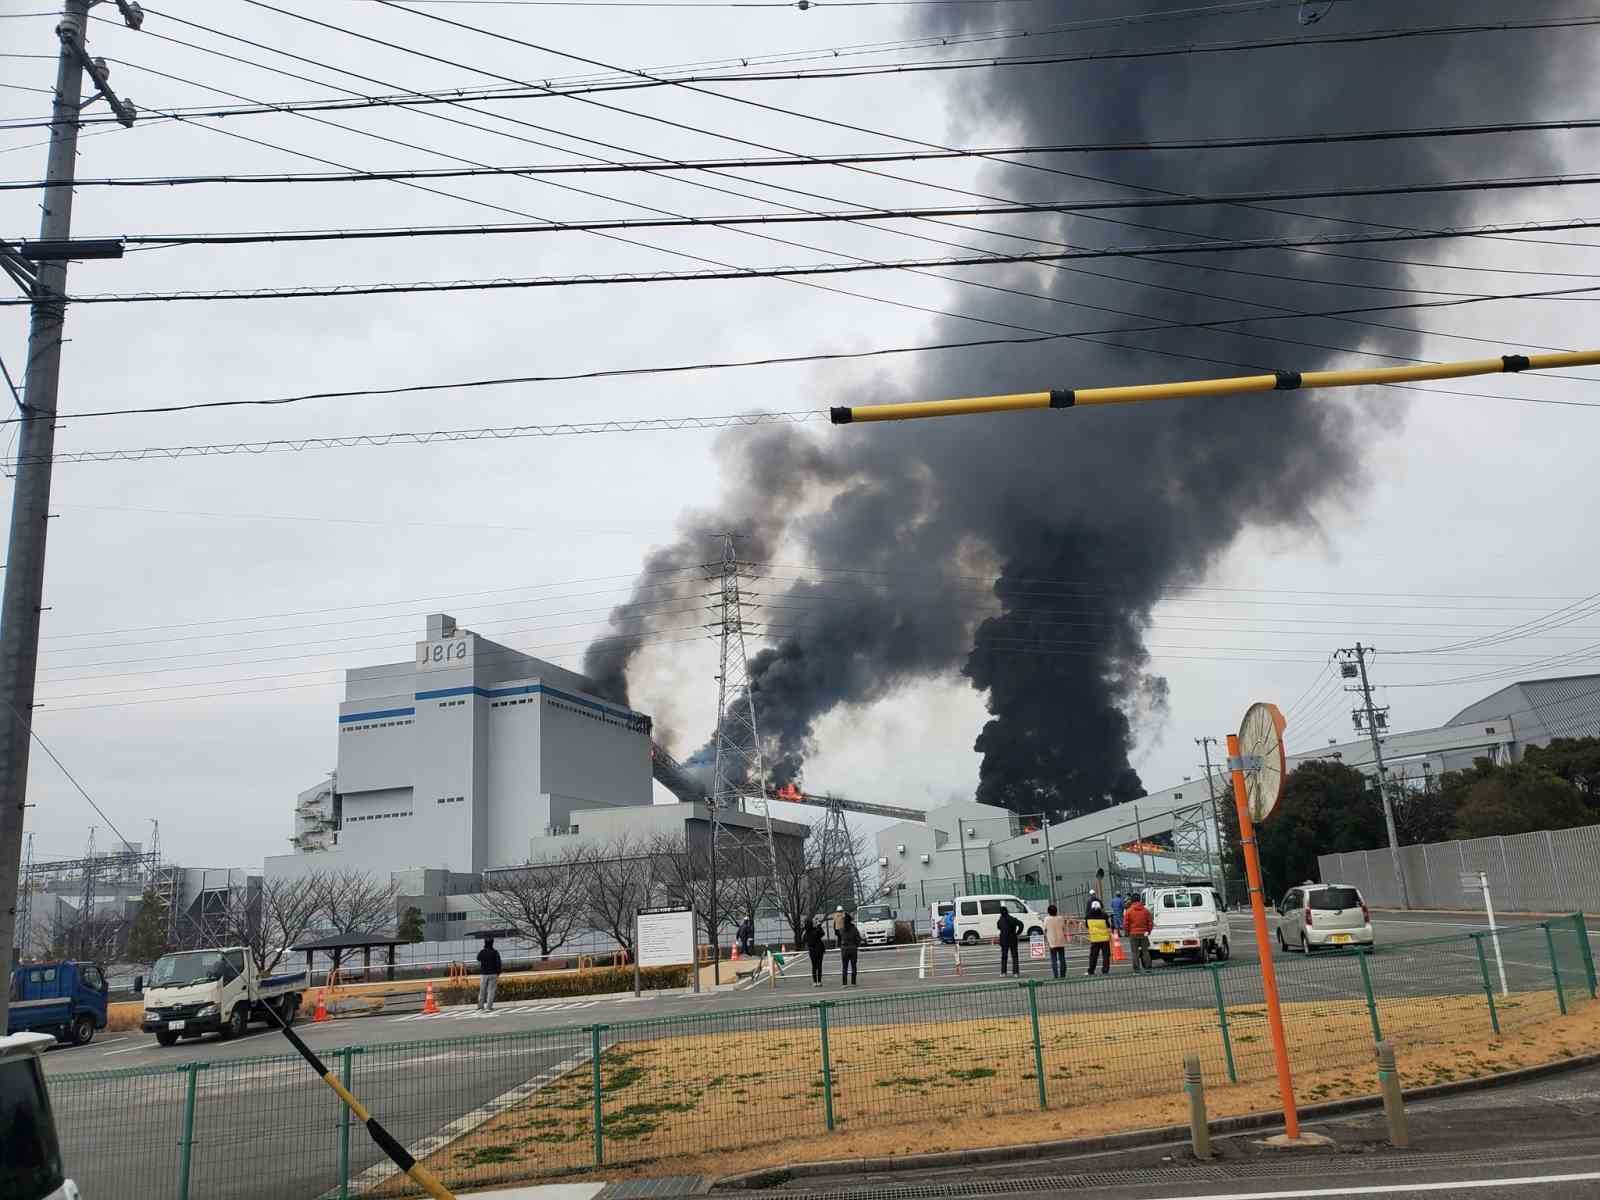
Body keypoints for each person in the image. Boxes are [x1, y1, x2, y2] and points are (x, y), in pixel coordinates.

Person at [1124, 892, 1153, 973]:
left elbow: (1126, 923)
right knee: (1145, 951)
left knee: (1135, 952)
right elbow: (1150, 922)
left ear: (1132, 900)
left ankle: (1136, 969)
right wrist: (1148, 931)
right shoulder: (1146, 910)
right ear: (1140, 899)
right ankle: (1148, 968)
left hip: (1133, 934)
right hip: (1144, 933)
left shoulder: (1129, 911)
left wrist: (1127, 932)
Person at [1085, 896, 1111, 976]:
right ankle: (1105, 970)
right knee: (1106, 955)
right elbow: (1108, 925)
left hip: (1095, 939)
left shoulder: (1088, 916)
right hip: (1104, 939)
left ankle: (1091, 971)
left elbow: (1087, 926)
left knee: (1093, 956)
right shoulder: (1104, 915)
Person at [1043, 903, 1070, 979]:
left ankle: (1056, 975)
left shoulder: (1046, 919)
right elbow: (1063, 928)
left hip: (1052, 941)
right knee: (1062, 959)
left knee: (1053, 960)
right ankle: (1063, 975)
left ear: (1048, 912)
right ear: (1056, 911)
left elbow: (1044, 929)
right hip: (1061, 940)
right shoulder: (1060, 918)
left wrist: (1046, 939)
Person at [476, 935, 503, 1011]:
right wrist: (498, 972)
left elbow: (478, 958)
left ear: (485, 943)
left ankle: (480, 1006)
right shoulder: (495, 952)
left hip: (483, 973)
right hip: (493, 973)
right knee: (491, 991)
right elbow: (499, 963)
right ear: (492, 943)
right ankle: (489, 1007)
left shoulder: (482, 952)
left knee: (482, 990)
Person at [996, 905, 1022, 976]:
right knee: (1015, 956)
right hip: (1013, 939)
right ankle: (1015, 972)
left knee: (1004, 956)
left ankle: (1003, 972)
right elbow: (1021, 924)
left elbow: (998, 927)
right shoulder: (1013, 919)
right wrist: (1018, 933)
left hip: (1004, 940)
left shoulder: (1000, 920)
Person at [801, 917, 826, 987]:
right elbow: (822, 933)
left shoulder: (806, 933)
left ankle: (815, 982)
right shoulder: (816, 930)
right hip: (819, 950)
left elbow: (803, 940)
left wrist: (804, 929)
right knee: (819, 966)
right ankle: (819, 981)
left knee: (814, 967)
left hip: (812, 951)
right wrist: (819, 925)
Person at [839, 912, 861, 985]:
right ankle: (853, 982)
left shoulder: (842, 929)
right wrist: (856, 945)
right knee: (853, 966)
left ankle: (844, 983)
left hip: (844, 949)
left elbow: (840, 937)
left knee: (844, 967)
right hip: (853, 948)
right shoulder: (854, 928)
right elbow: (858, 938)